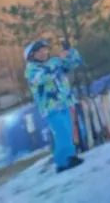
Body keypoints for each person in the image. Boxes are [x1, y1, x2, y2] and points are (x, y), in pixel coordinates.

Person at [24, 39, 84, 174]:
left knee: (68, 130)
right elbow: (44, 77)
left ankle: (69, 157)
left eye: (44, 50)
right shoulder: (31, 70)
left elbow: (73, 63)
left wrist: (70, 52)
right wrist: (58, 62)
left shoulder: (53, 62)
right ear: (31, 55)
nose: (43, 53)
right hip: (51, 107)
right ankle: (63, 161)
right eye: (39, 51)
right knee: (61, 132)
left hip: (65, 102)